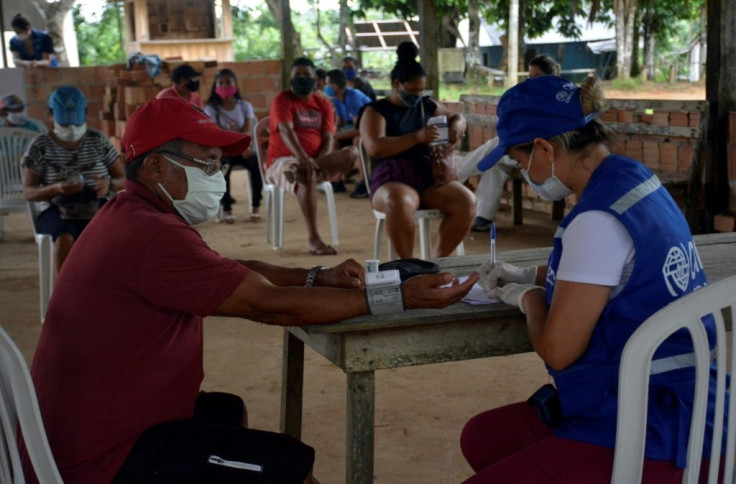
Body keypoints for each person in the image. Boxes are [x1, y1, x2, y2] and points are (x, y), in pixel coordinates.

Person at [22, 96, 479, 484]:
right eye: (206, 163)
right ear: (157, 166)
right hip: (102, 460)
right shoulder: (149, 234)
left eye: (219, 163)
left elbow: (225, 269)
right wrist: (399, 296)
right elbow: (268, 305)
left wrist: (318, 275)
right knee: (290, 465)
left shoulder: (134, 213)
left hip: (91, 430)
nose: (217, 174)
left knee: (226, 411)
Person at [459, 75, 714, 483]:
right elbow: (617, 272)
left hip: (651, 429)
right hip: (687, 400)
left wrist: (527, 296)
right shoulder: (632, 178)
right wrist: (531, 274)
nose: (524, 171)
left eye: (520, 160)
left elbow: (558, 351)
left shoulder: (595, 220)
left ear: (544, 147)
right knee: (484, 437)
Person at [359, 42, 475, 259]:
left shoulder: (426, 104)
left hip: (429, 177)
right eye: (413, 90)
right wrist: (416, 137)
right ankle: (409, 266)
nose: (418, 95)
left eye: (422, 90)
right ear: (397, 84)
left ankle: (437, 263)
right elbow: (375, 148)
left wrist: (458, 124)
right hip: (392, 180)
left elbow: (455, 116)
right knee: (399, 201)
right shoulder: (376, 111)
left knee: (466, 201)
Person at [21, 85, 124, 273]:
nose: (71, 128)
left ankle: (108, 289)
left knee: (113, 234)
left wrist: (108, 184)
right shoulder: (40, 146)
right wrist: (56, 189)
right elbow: (28, 191)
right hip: (56, 208)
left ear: (85, 114)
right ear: (51, 114)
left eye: (76, 122)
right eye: (65, 123)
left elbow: (123, 179)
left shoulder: (98, 141)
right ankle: (68, 292)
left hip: (95, 203)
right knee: (65, 237)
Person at [456, 53, 559, 232]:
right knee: (496, 163)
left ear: (550, 77)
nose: (531, 81)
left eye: (537, 77)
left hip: (539, 155)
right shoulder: (530, 97)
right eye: (529, 77)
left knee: (495, 147)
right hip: (520, 150)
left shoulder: (558, 99)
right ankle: (484, 216)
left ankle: (451, 176)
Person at [265, 57, 359, 255]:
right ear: (290, 79)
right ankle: (314, 239)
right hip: (283, 160)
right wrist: (302, 159)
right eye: (297, 75)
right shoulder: (282, 99)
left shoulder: (323, 104)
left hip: (316, 162)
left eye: (306, 74)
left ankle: (305, 171)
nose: (301, 78)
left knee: (352, 152)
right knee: (305, 178)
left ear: (315, 78)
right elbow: (286, 131)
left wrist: (313, 163)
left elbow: (328, 138)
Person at [204, 68, 263, 223]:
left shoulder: (245, 106)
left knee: (257, 166)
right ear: (215, 87)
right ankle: (227, 209)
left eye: (228, 83)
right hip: (224, 151)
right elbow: (216, 134)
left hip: (243, 149)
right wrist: (231, 148)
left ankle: (256, 206)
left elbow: (247, 130)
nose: (224, 86)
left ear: (235, 85)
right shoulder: (211, 109)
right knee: (223, 169)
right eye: (221, 83)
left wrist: (243, 147)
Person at [324, 69, 372, 197]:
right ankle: (336, 180)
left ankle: (365, 182)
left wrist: (335, 135)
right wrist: (331, 134)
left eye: (327, 84)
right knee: (332, 141)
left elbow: (360, 129)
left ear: (334, 86)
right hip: (358, 130)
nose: (325, 87)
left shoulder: (353, 97)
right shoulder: (338, 99)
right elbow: (339, 124)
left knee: (357, 140)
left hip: (371, 130)